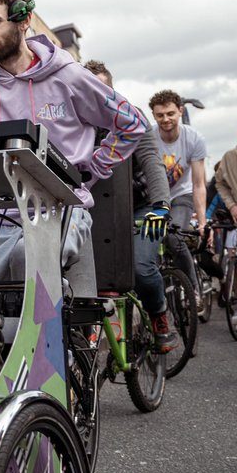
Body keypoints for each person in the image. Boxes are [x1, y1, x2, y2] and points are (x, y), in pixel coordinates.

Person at [0, 0, 147, 294]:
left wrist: (90, 172)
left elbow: (131, 123)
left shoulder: (69, 77)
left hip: (60, 211)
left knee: (24, 259)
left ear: (24, 20)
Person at [84, 62, 177, 352]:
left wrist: (161, 205)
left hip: (141, 207)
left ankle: (159, 314)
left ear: (112, 90)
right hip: (96, 211)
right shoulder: (76, 124)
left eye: (102, 90)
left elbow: (152, 162)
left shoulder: (132, 118)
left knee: (141, 268)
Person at [148, 89, 207, 293]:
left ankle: (193, 288)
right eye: (160, 115)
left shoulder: (194, 138)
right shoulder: (149, 138)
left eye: (170, 113)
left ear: (180, 111)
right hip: (155, 196)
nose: (166, 119)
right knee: (150, 244)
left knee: (174, 238)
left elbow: (199, 184)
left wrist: (201, 221)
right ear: (154, 116)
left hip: (182, 195)